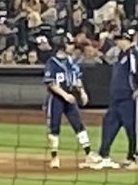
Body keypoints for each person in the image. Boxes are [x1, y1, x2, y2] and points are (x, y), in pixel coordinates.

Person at [42, 35, 103, 170]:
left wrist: (82, 92)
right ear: (62, 46)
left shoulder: (71, 61)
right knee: (54, 127)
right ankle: (54, 157)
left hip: (69, 96)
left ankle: (88, 153)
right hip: (56, 98)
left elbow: (76, 79)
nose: (72, 46)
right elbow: (51, 84)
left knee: (78, 125)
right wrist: (64, 95)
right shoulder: (52, 63)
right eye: (69, 44)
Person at [96, 25, 138, 170]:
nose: (116, 42)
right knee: (109, 123)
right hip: (117, 99)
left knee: (132, 128)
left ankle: (132, 157)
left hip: (129, 98)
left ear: (125, 39)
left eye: (119, 39)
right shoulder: (123, 55)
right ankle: (103, 154)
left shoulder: (136, 54)